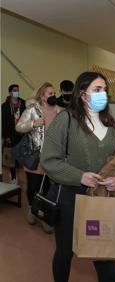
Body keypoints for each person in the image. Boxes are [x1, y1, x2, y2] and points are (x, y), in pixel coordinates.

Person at [40, 72, 115, 282]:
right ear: (83, 94)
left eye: (105, 90)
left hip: (100, 198)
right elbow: (49, 159)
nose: (103, 94)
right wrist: (79, 176)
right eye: (97, 90)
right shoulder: (66, 119)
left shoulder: (110, 124)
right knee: (65, 251)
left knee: (104, 254)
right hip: (69, 197)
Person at [16, 82, 62, 233]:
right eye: (50, 93)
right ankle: (32, 209)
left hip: (54, 158)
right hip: (35, 156)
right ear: (42, 96)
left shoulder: (59, 111)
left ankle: (45, 215)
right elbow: (19, 127)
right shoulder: (32, 110)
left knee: (49, 188)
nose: (53, 96)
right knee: (34, 186)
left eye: (54, 93)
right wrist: (33, 123)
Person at [1, 84, 26, 184]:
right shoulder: (5, 106)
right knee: (12, 157)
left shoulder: (23, 103)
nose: (17, 92)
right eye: (15, 90)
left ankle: (24, 177)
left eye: (18, 90)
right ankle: (13, 177)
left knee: (23, 156)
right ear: (10, 92)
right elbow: (4, 122)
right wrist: (6, 136)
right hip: (11, 134)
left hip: (22, 133)